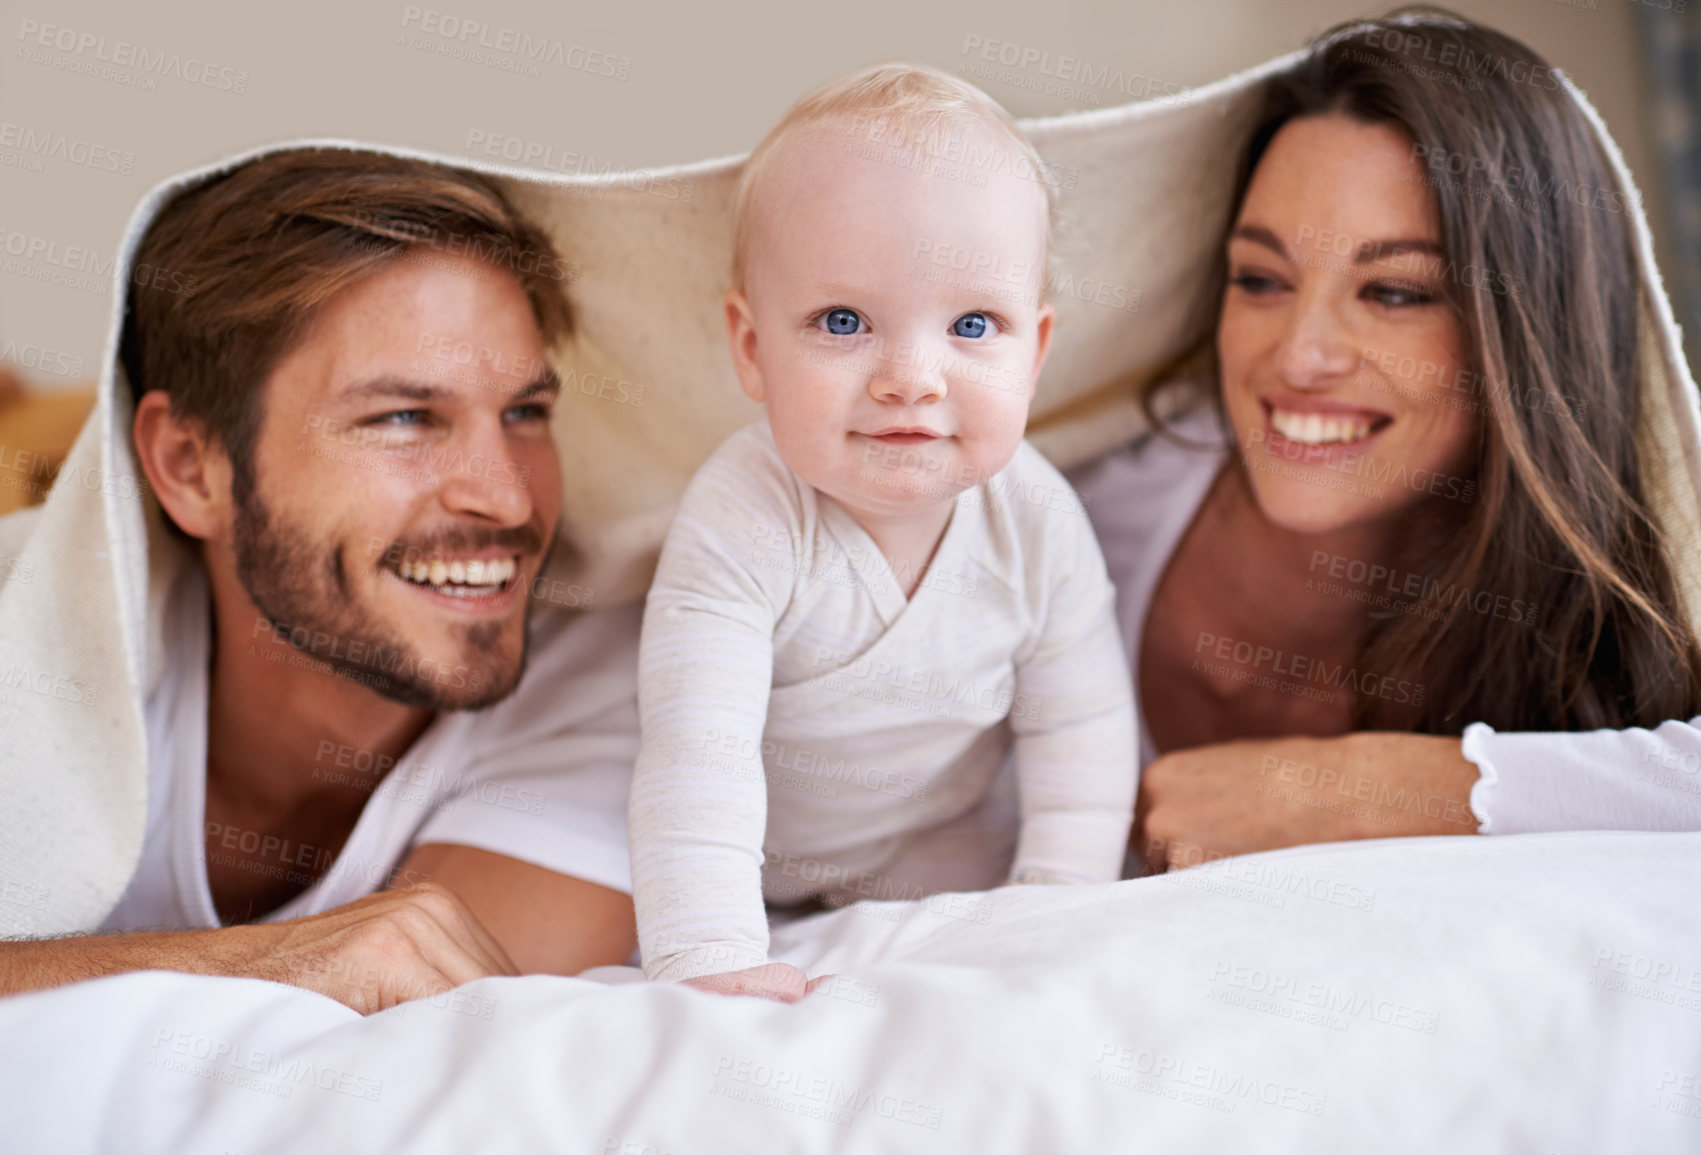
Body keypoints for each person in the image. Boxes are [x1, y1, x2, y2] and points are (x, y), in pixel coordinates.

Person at [1063, 11, 1701, 874]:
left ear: (1525, 338)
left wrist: (1367, 789)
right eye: (1261, 279)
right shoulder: (1064, 523)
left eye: (1394, 291)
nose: (1298, 356)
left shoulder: (1589, 610)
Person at [0, 150, 641, 1013]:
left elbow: (430, 1031)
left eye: (525, 412)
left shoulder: (618, 681)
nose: (508, 495)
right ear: (191, 466)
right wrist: (263, 963)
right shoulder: (26, 634)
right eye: (405, 416)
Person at [628, 64, 1138, 1001]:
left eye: (973, 324)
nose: (911, 375)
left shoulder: (1036, 518)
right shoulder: (745, 512)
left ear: (1036, 350)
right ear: (751, 348)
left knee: (975, 974)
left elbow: (1081, 730)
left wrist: (1056, 905)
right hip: (740, 846)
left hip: (935, 836)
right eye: (843, 320)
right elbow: (697, 745)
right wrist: (707, 951)